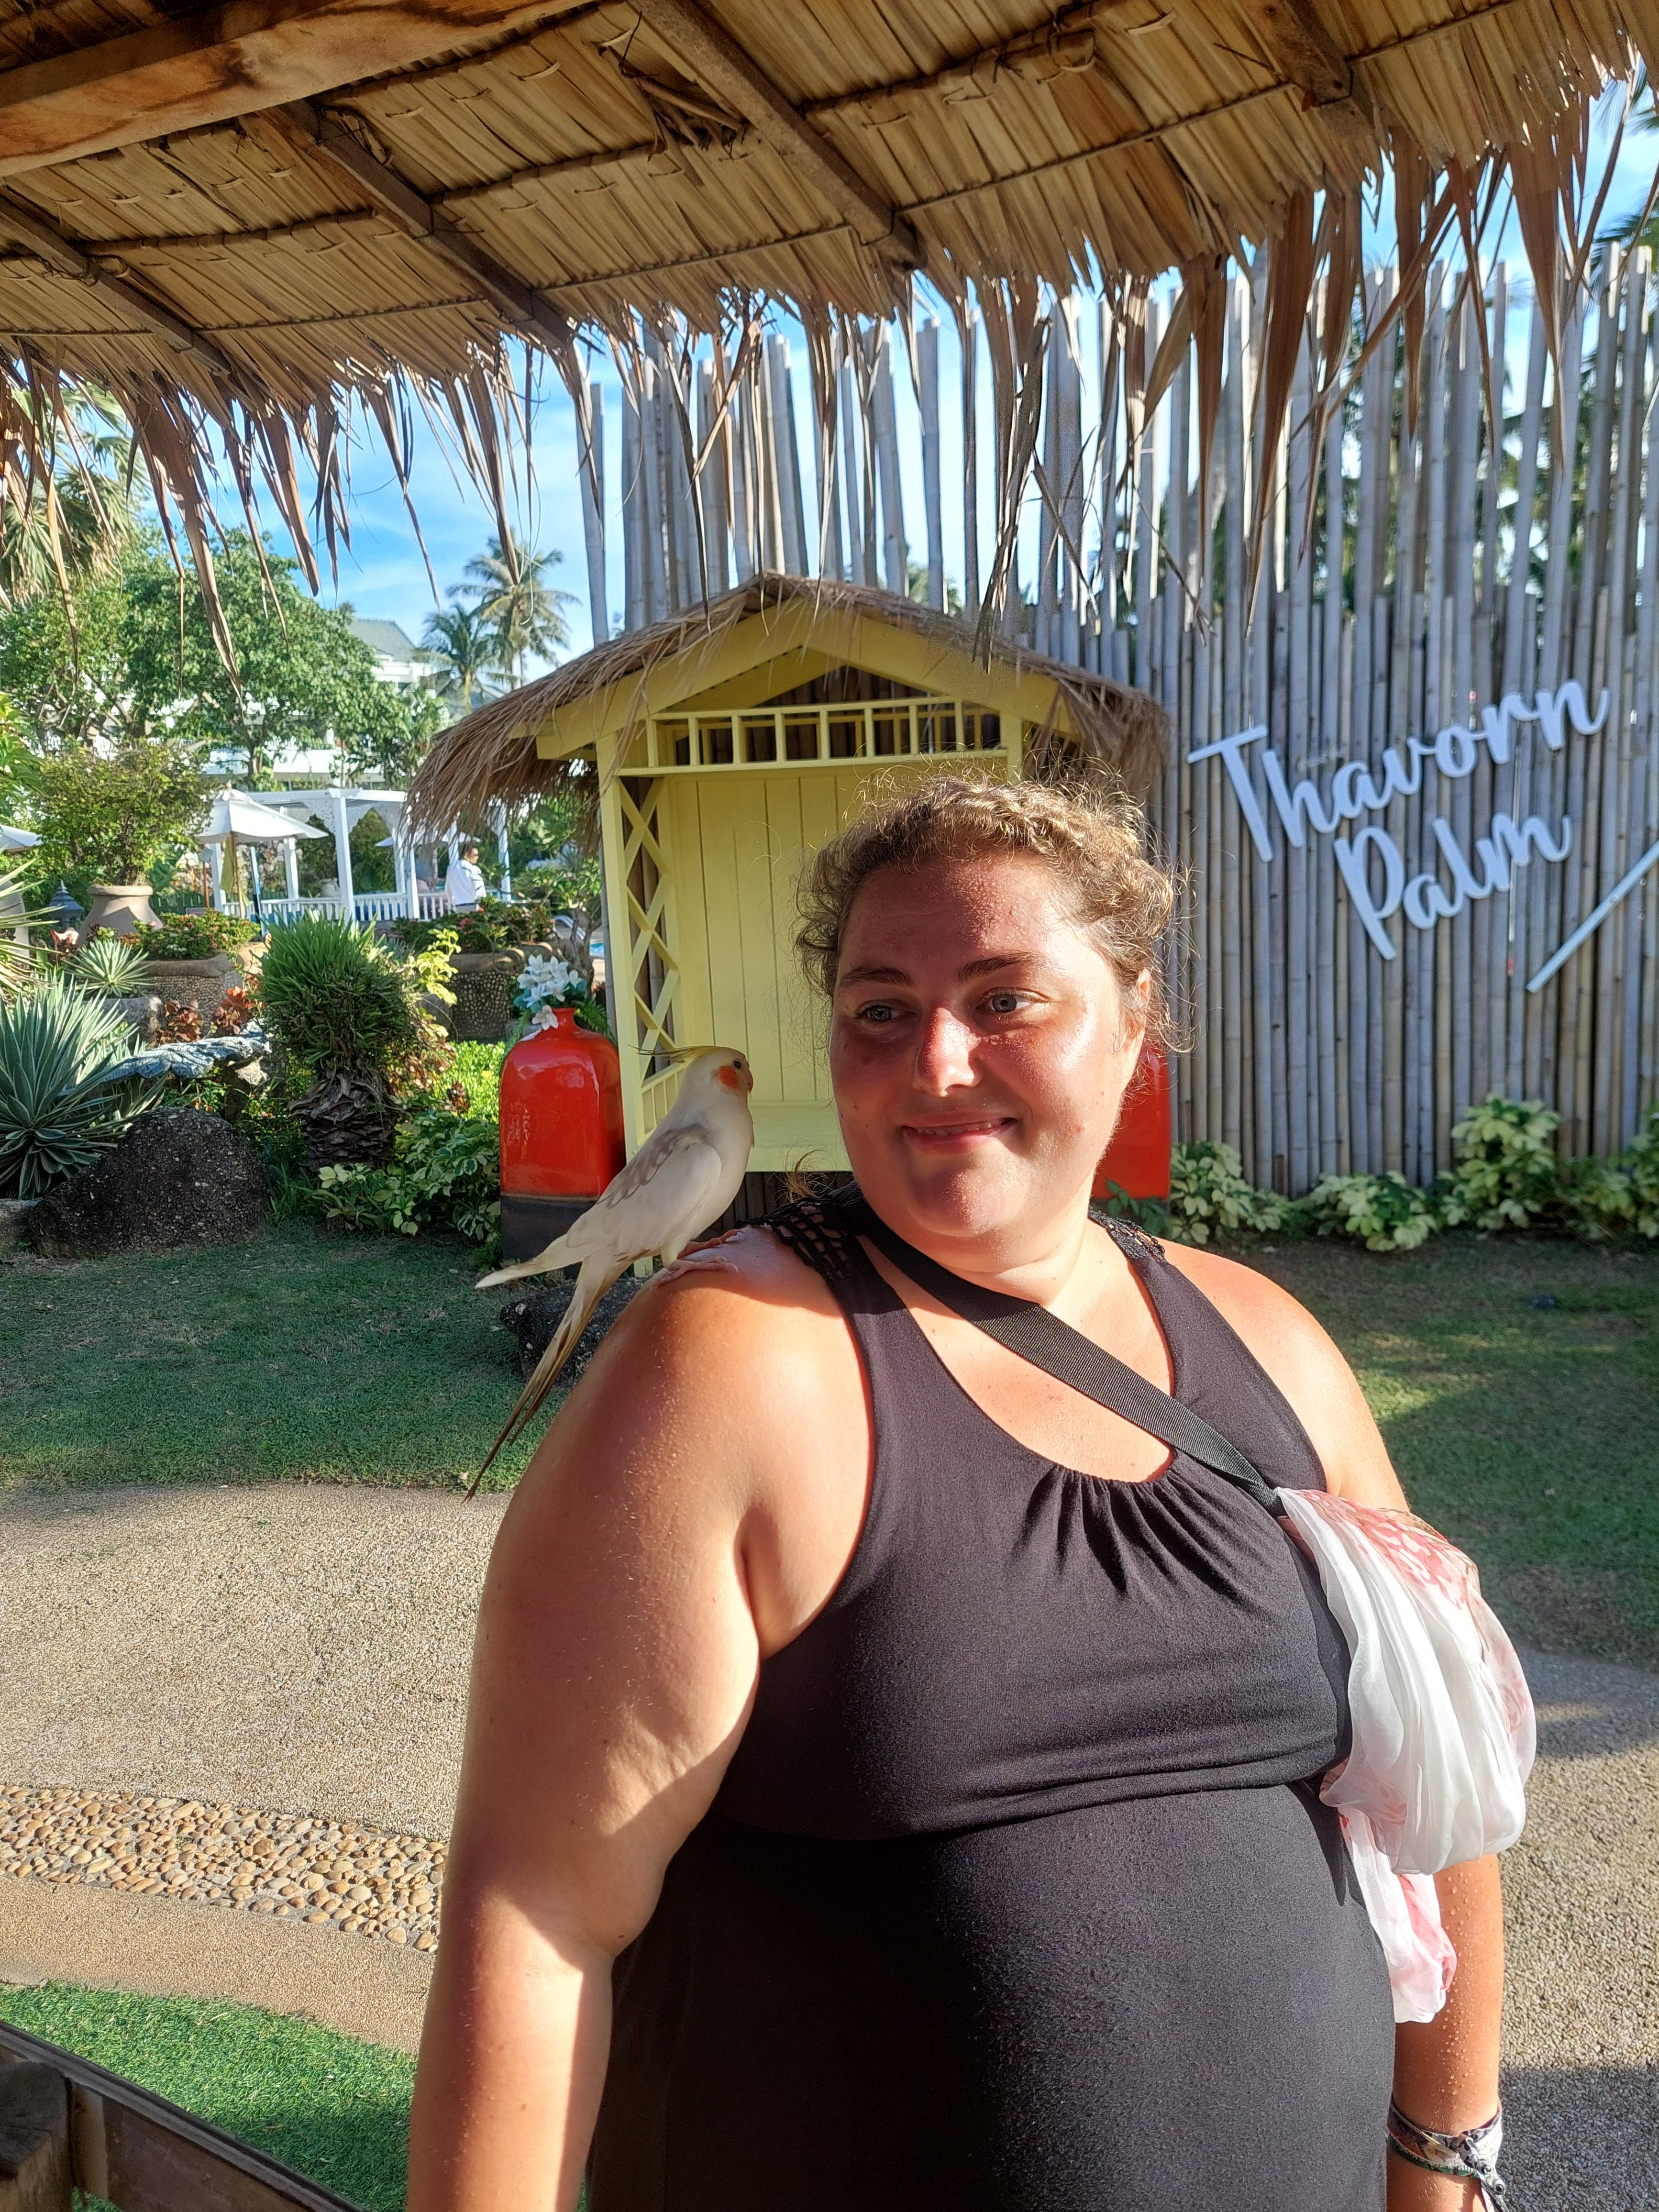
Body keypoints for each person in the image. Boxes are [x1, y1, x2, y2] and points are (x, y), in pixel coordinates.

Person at [410, 776, 1505, 2212]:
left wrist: (1445, 2159)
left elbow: (1434, 1786)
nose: (934, 1059)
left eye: (1004, 999)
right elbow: (536, 1914)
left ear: (1132, 1019)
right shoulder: (731, 1367)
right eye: (880, 1007)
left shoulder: (1271, 1345)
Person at [445, 841, 488, 911]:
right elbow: (480, 889)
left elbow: (448, 890)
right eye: (476, 855)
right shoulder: (473, 869)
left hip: (458, 907)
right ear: (467, 855)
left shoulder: (451, 868)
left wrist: (451, 904)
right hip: (473, 906)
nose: (478, 857)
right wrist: (484, 906)